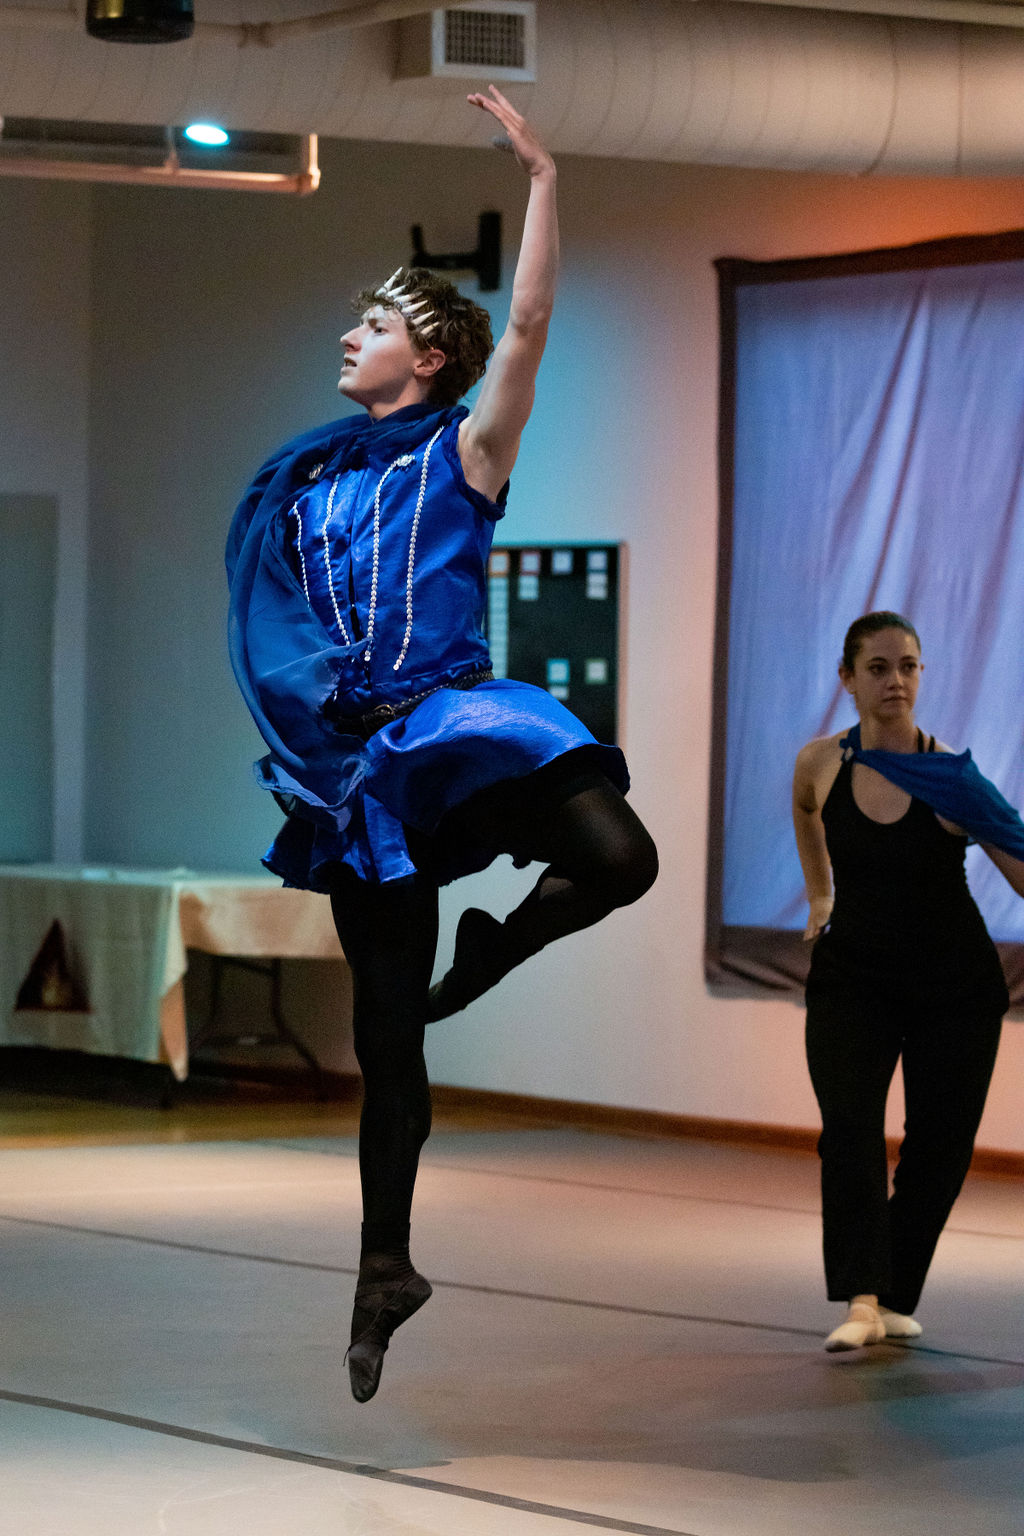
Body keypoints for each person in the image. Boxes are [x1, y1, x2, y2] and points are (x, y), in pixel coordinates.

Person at [226, 88, 657, 1402]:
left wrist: (544, 181)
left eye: (370, 325)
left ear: (423, 358)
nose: (346, 337)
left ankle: (493, 949)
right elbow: (286, 625)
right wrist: (318, 711)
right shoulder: (311, 482)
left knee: (619, 857)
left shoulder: (465, 452)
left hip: (459, 728)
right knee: (388, 1039)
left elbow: (525, 327)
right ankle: (383, 1268)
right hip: (367, 769)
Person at [792, 611, 1024, 1352]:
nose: (896, 681)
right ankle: (861, 1300)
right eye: (879, 667)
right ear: (848, 679)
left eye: (908, 666)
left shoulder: (951, 777)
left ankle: (892, 1296)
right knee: (849, 1132)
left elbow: (1020, 865)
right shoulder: (821, 763)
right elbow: (806, 811)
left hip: (954, 989)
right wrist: (820, 895)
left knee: (939, 1149)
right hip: (852, 979)